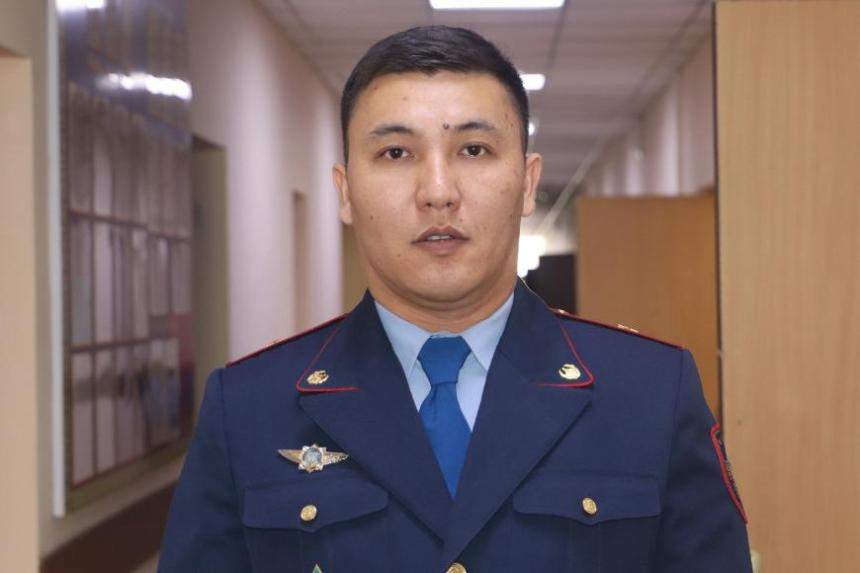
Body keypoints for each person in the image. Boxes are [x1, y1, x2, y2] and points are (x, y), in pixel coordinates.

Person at [158, 25, 752, 573]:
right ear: (345, 192)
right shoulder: (247, 408)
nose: (438, 192)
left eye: (474, 150)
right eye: (396, 153)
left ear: (526, 183)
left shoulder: (650, 392)